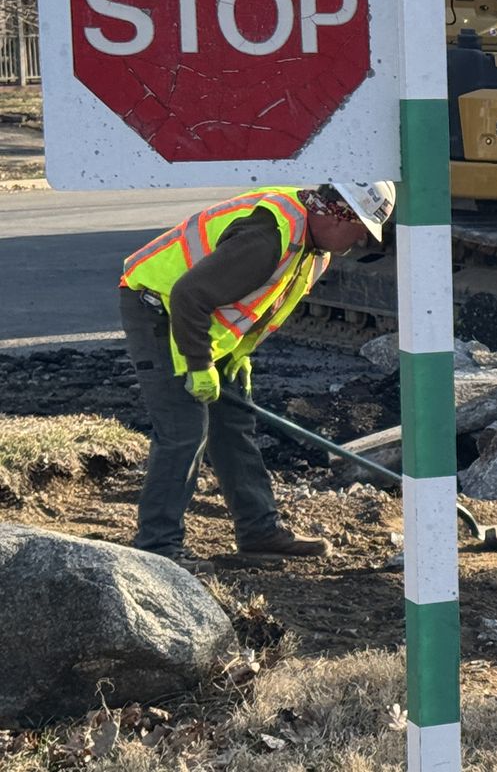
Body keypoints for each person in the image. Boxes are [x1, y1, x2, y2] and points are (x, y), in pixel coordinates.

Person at [120, 182, 395, 571]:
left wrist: (238, 355)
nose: (361, 240)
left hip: (197, 320)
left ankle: (258, 531)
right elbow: (187, 295)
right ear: (337, 213)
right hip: (158, 307)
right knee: (184, 430)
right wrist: (199, 365)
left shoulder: (314, 250)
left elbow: (260, 307)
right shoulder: (269, 237)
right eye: (361, 228)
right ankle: (158, 550)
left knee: (233, 424)